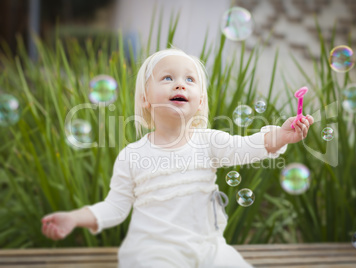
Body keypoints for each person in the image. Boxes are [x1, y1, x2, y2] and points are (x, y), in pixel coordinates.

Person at [41, 48, 314, 267]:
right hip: (154, 253)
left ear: (201, 102)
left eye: (189, 80)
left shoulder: (209, 141)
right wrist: (74, 218)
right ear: (146, 98)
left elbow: (247, 146)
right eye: (168, 78)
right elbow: (115, 207)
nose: (180, 85)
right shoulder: (133, 156)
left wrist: (281, 135)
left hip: (208, 249)